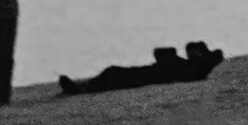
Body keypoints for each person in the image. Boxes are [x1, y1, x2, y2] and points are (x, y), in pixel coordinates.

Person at [59, 41, 225, 96]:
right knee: (113, 74)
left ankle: (79, 89)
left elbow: (161, 55)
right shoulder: (191, 68)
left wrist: (173, 55)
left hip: (146, 76)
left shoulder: (192, 70)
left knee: (114, 75)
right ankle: (81, 88)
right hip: (148, 74)